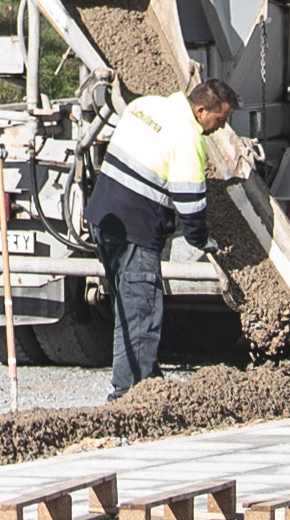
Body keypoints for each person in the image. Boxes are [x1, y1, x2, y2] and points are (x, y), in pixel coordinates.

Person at [91, 75, 220, 395]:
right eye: (221, 119)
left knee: (126, 307)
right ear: (202, 111)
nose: (221, 127)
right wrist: (202, 241)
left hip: (103, 219)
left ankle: (146, 380)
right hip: (136, 231)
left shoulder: (144, 106)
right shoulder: (188, 137)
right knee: (141, 313)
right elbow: (190, 203)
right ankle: (130, 395)